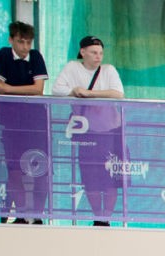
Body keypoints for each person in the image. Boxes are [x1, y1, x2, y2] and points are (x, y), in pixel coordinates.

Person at [50, 37, 125, 227]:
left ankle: (106, 217)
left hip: (110, 131)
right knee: (90, 176)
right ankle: (98, 216)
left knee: (110, 177)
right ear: (83, 52)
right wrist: (74, 91)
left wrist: (91, 94)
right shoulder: (72, 68)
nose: (98, 56)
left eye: (101, 53)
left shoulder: (108, 70)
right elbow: (56, 89)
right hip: (86, 131)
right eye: (93, 52)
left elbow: (118, 93)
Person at [0, 22, 50, 224]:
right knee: (14, 171)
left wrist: (9, 89)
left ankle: (38, 216)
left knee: (40, 170)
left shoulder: (36, 57)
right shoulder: (3, 55)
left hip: (36, 123)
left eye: (28, 43)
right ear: (11, 40)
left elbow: (38, 89)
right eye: (20, 42)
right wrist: (10, 89)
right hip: (11, 123)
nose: (25, 47)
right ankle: (23, 215)